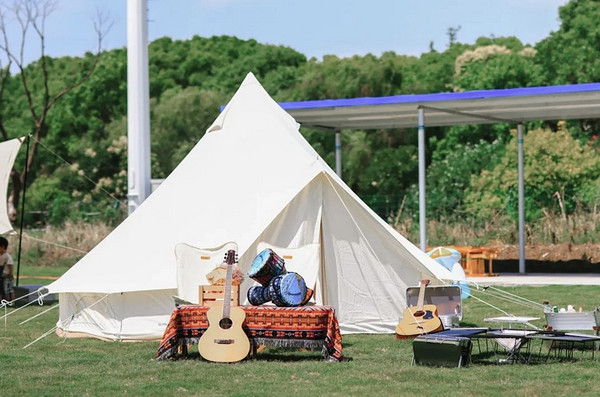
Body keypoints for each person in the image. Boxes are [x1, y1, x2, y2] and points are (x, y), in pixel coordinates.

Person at [0, 236, 15, 301]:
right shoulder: (1, 256)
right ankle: (4, 301)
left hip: (8, 276)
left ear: (2, 247)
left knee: (9, 289)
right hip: (3, 276)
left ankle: (12, 301)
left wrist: (10, 274)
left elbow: (10, 265)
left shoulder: (7, 256)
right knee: (3, 289)